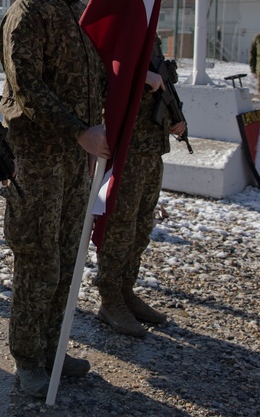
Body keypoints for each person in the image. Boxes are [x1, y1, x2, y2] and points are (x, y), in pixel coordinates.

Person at [0, 0, 107, 398]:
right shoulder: (30, 12)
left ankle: (52, 347)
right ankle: (27, 358)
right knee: (38, 259)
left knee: (67, 255)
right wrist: (79, 130)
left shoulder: (77, 11)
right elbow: (26, 88)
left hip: (73, 158)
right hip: (40, 156)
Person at [95, 36, 185, 338]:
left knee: (141, 225)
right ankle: (110, 299)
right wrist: (140, 78)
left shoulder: (152, 38)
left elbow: (164, 86)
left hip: (151, 148)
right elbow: (102, 78)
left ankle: (126, 290)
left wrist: (175, 117)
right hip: (128, 149)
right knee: (120, 225)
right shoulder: (125, 30)